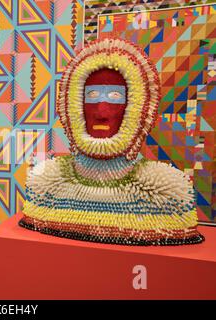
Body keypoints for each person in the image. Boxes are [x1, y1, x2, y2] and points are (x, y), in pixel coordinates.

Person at [19, 38, 204, 246]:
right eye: (92, 95)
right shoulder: (45, 185)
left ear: (139, 107)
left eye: (115, 96)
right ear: (74, 104)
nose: (102, 112)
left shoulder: (166, 193)